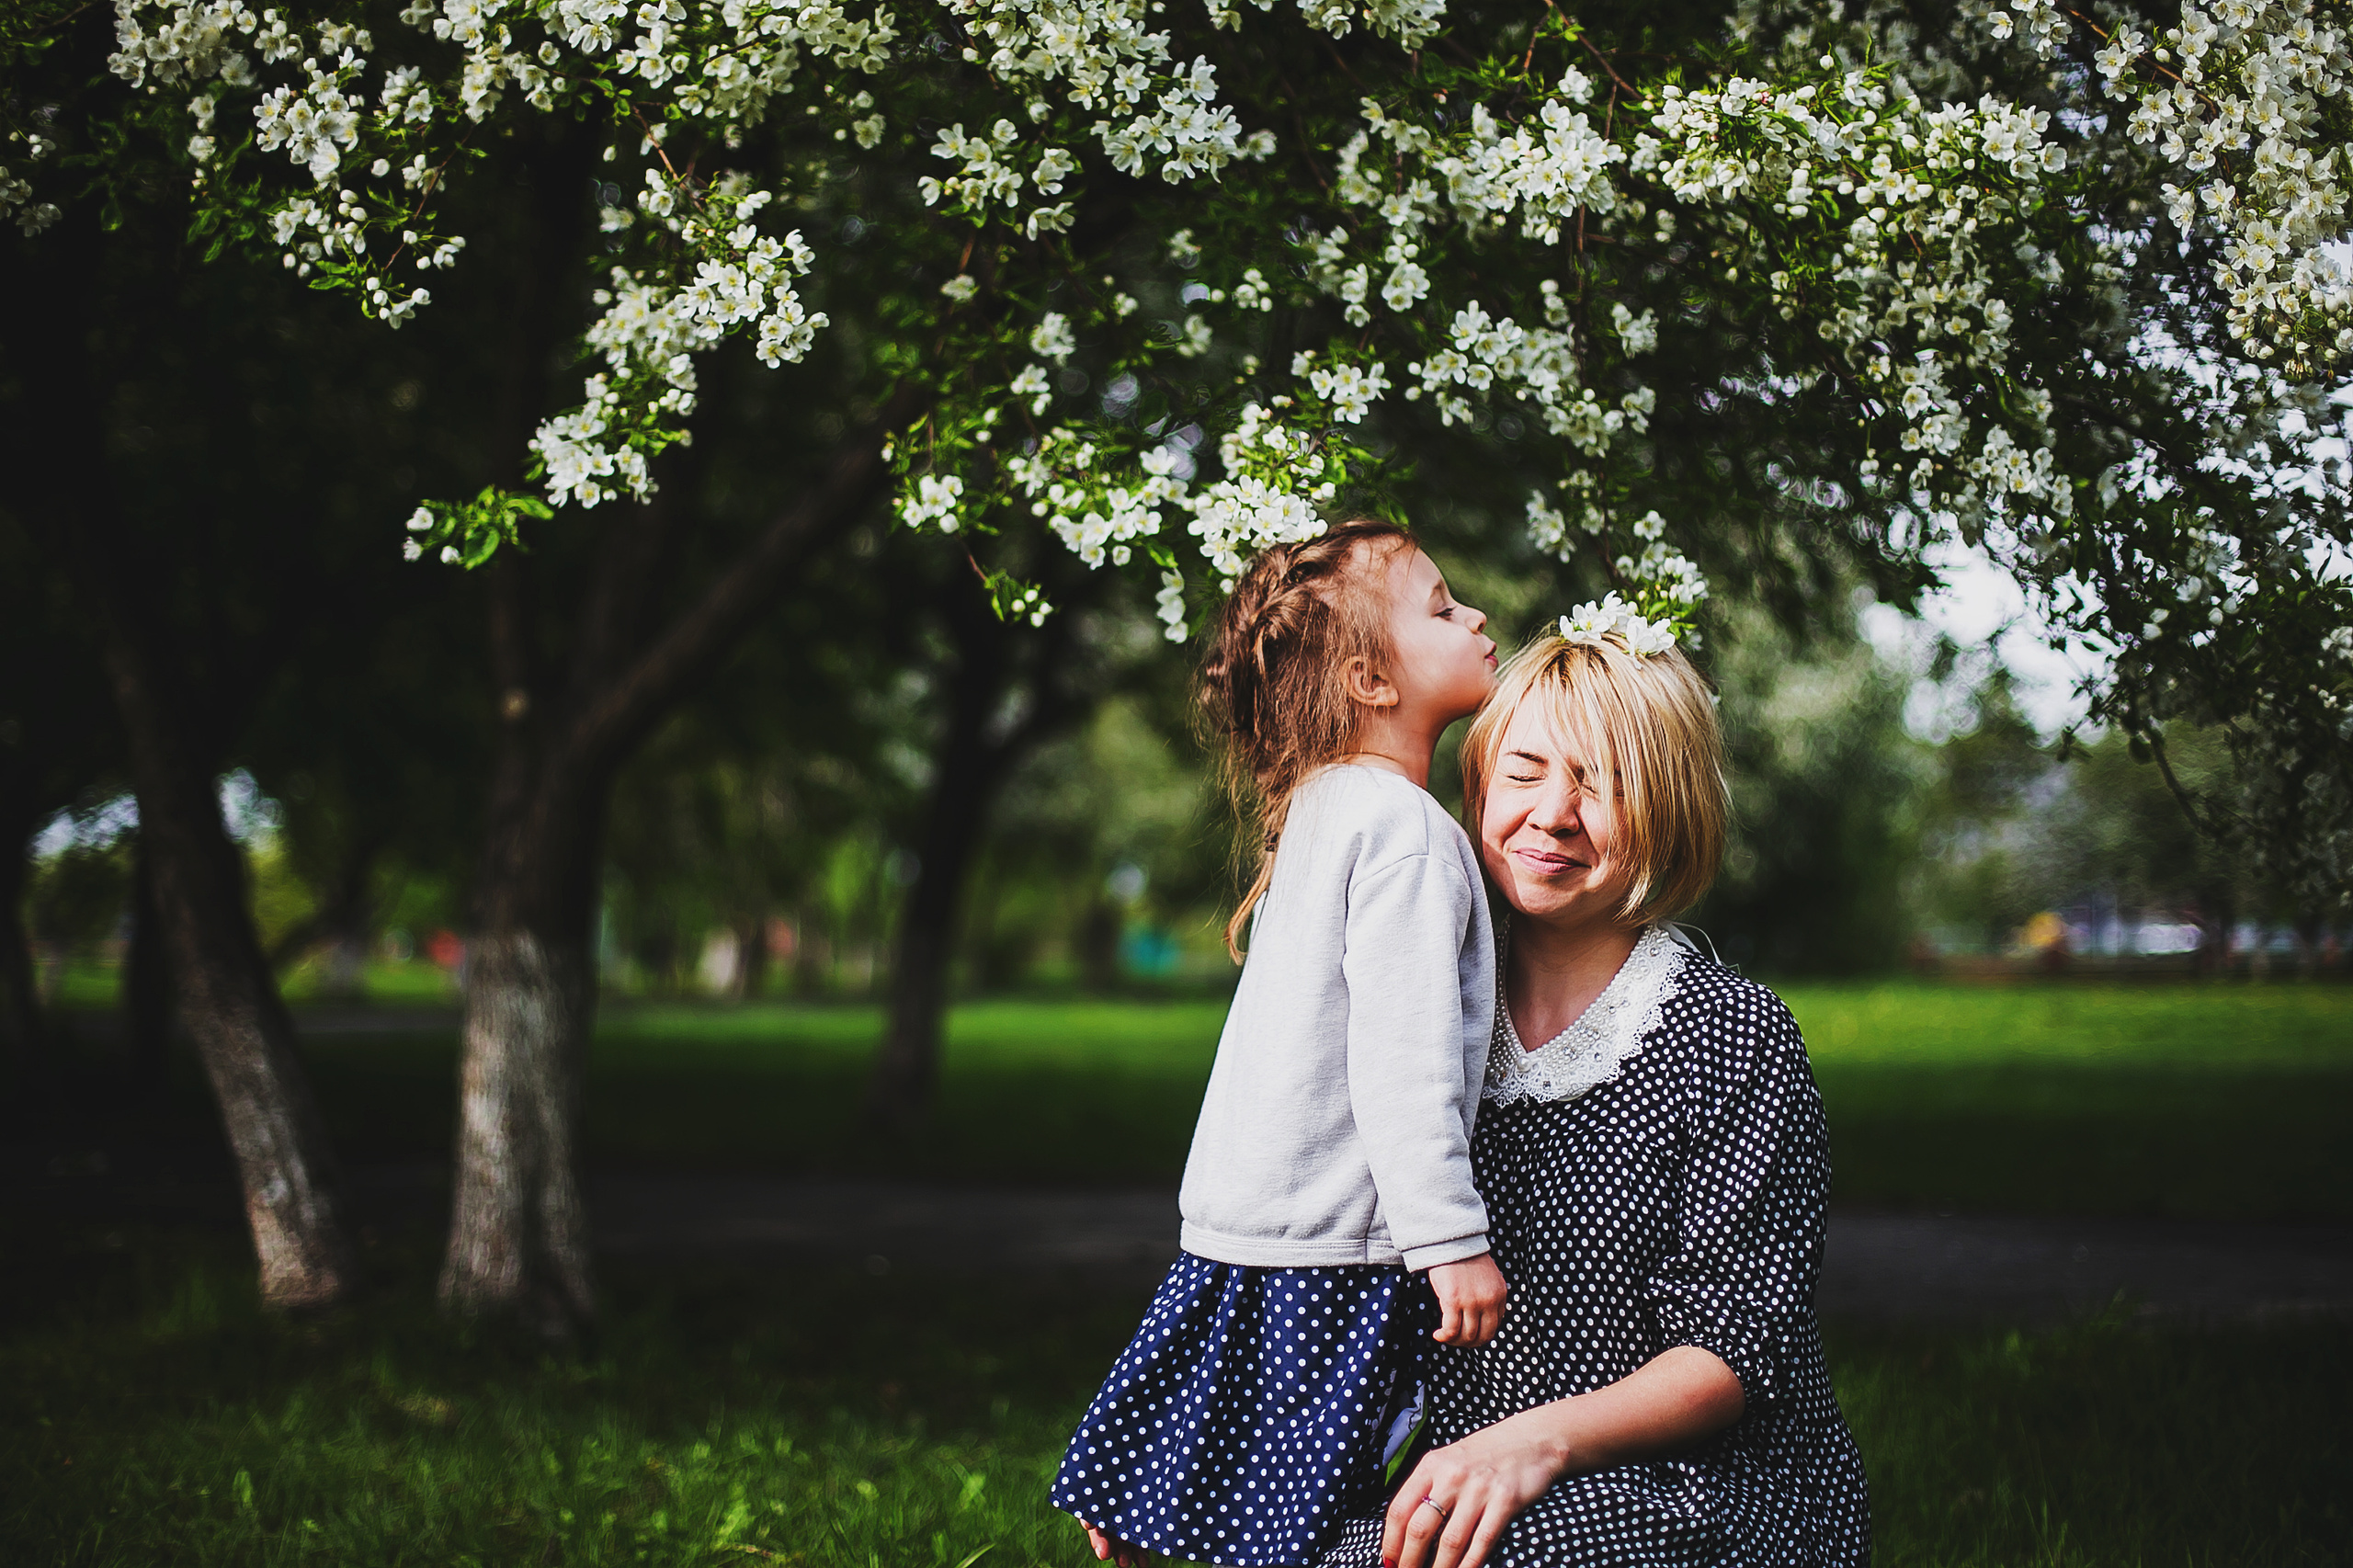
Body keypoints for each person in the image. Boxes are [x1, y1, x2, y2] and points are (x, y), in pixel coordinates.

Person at [1051, 519, 1509, 1568]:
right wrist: (1448, 1237)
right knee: (1319, 1506)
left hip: (1242, 1220)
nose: (1475, 615)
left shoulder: (1322, 806)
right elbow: (1405, 1059)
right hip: (1336, 1237)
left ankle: (1147, 1506)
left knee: (1245, 1464)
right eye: (1440, 607)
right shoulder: (1405, 830)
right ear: (1369, 679)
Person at [1381, 601, 1870, 1568]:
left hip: (1701, 1484)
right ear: (1479, 785)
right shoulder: (1419, 1014)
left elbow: (1737, 1348)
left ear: (1669, 805)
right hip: (1468, 1470)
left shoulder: (1729, 1032)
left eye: (1599, 783)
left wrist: (1532, 1441)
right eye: (1523, 772)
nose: (1552, 812)